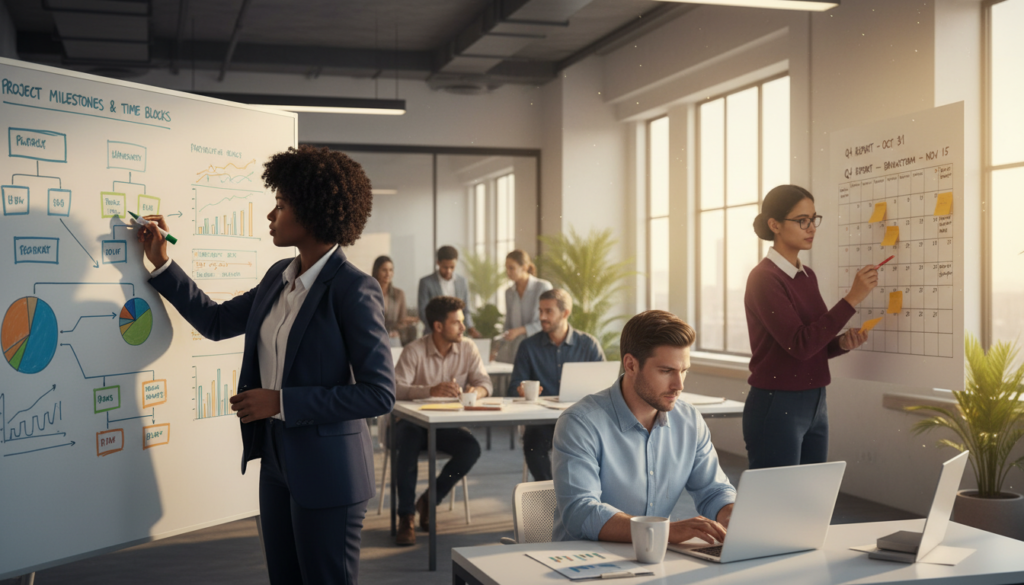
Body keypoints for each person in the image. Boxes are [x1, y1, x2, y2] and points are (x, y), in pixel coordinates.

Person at [136, 145, 395, 585]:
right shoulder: (279, 276)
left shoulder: (354, 289)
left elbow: (378, 393)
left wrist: (281, 402)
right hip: (275, 459)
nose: (271, 216)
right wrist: (163, 263)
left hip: (329, 469)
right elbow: (217, 322)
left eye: (281, 205)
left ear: (311, 212)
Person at [552, 310, 736, 544]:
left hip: (654, 559)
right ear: (630, 365)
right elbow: (581, 513)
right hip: (583, 565)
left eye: (684, 371)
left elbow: (714, 491)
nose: (678, 385)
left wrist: (732, 514)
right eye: (666, 371)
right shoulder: (580, 423)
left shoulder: (689, 421)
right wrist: (664, 531)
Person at [744, 185, 875, 470]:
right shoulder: (764, 278)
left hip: (816, 400)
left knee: (811, 498)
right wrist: (852, 298)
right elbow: (799, 344)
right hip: (777, 403)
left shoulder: (806, 275)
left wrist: (841, 344)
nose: (811, 227)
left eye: (814, 219)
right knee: (778, 502)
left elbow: (811, 344)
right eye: (802, 220)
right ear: (774, 224)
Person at [391, 296, 491, 546]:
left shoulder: (468, 348)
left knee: (471, 448)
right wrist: (429, 390)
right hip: (412, 423)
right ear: (438, 326)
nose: (463, 327)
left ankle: (429, 500)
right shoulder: (414, 350)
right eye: (456, 322)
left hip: (445, 424)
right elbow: (394, 389)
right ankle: (406, 515)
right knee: (408, 441)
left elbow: (485, 383)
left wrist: (474, 393)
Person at [509, 289, 604, 481]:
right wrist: (520, 390)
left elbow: (605, 387)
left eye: (548, 311)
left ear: (565, 313)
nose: (542, 317)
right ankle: (553, 496)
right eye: (540, 311)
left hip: (581, 421)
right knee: (533, 447)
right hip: (541, 422)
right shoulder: (528, 346)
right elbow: (513, 387)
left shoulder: (589, 345)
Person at [418, 246, 480, 338]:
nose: (448, 271)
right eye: (445, 267)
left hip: (457, 335)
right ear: (438, 263)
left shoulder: (462, 282)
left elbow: (465, 310)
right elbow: (423, 312)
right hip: (433, 335)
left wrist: (470, 327)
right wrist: (440, 328)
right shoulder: (426, 282)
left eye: (452, 267)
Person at [373, 255, 417, 346]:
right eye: (384, 270)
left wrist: (400, 328)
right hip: (374, 335)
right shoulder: (368, 292)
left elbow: (401, 320)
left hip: (392, 336)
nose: (388, 274)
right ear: (376, 271)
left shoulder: (399, 294)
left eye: (391, 270)